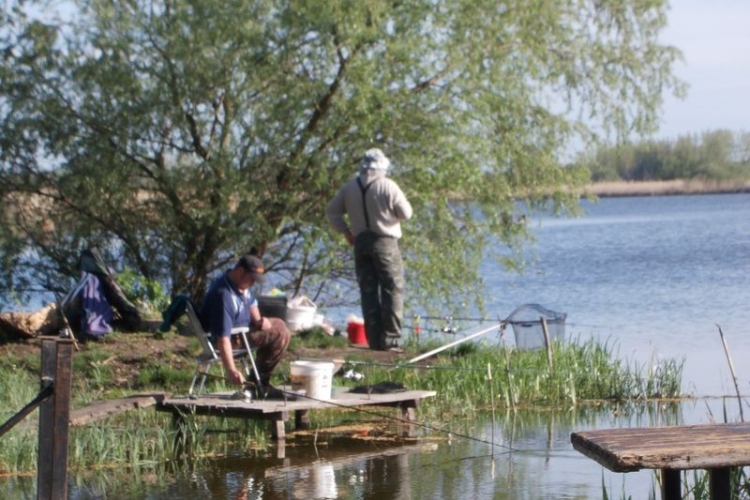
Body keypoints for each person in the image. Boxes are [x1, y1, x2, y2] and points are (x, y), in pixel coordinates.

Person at [326, 148, 413, 351]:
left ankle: (374, 340)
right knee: (393, 289)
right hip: (385, 241)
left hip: (360, 241)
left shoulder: (349, 187)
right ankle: (391, 339)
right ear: (382, 167)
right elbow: (406, 213)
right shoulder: (388, 186)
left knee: (368, 291)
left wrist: (346, 231)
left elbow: (332, 212)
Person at [200, 254, 291, 398]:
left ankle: (258, 382)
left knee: (279, 323)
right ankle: (259, 383)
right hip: (232, 340)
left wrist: (258, 320)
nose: (253, 283)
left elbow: (251, 302)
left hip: (243, 331)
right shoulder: (223, 296)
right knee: (281, 333)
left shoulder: (239, 283)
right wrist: (231, 370)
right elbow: (222, 339)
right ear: (240, 271)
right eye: (252, 279)